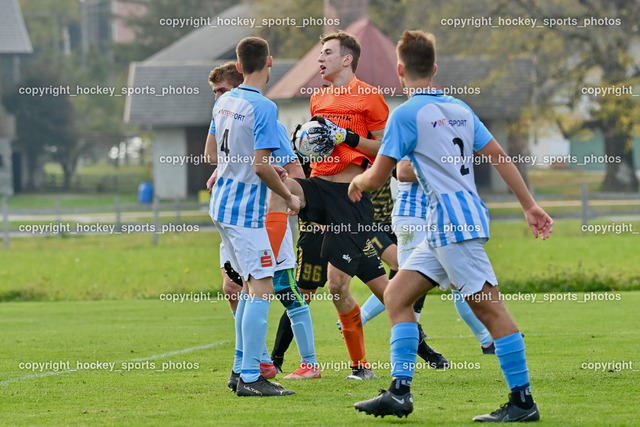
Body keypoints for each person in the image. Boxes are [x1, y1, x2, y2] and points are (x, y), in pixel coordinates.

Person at [349, 30, 552, 421]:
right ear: (435, 69)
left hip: (455, 227)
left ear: (400, 70)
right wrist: (529, 205)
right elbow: (498, 155)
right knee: (396, 297)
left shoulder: (405, 114)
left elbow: (376, 178)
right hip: (442, 227)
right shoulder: (459, 108)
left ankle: (523, 401)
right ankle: (399, 392)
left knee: (489, 310)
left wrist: (356, 182)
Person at [271, 31, 389, 380]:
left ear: (347, 59)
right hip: (319, 186)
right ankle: (269, 260)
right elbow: (314, 152)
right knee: (279, 187)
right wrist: (299, 151)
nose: (319, 59)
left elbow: (383, 151)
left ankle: (360, 366)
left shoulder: (371, 97)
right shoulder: (317, 99)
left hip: (351, 197)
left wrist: (347, 137)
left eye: (326, 53)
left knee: (337, 286)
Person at [206, 63, 319, 383]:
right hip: (236, 216)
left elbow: (295, 174)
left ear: (240, 86)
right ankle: (256, 363)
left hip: (267, 218)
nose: (219, 98)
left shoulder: (268, 120)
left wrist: (285, 196)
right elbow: (215, 155)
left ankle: (302, 363)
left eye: (223, 91)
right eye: (215, 93)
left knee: (281, 289)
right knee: (235, 287)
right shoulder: (225, 115)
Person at [393, 159, 495, 355]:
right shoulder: (413, 129)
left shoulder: (451, 132)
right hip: (414, 216)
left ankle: (488, 340)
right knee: (403, 290)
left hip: (441, 217)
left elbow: (496, 155)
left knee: (460, 279)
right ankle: (403, 355)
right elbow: (403, 171)